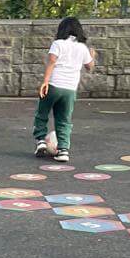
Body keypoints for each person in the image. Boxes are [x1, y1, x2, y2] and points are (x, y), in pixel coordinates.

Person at [34, 16, 94, 163]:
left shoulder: (58, 44)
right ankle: (63, 150)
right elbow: (89, 67)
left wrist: (45, 81)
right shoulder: (82, 47)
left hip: (54, 84)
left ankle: (41, 140)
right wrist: (92, 56)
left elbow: (52, 61)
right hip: (70, 89)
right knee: (64, 120)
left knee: (42, 113)